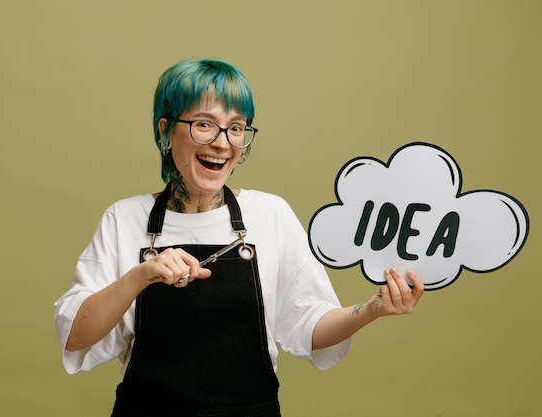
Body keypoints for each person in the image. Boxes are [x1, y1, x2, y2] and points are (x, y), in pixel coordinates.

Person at [54, 58, 424, 417]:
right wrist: (141, 276)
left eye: (236, 127)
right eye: (204, 125)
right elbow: (76, 336)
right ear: (166, 131)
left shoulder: (270, 214)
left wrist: (373, 308)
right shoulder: (123, 218)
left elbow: (310, 325)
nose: (222, 143)